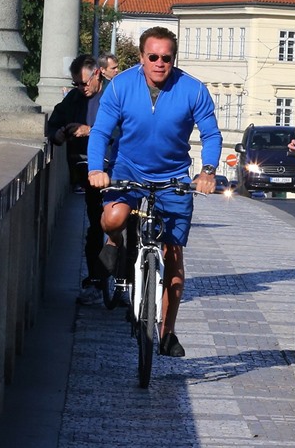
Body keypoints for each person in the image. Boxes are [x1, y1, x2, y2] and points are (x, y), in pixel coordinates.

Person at [87, 26, 222, 357]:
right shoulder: (120, 86)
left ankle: (167, 332)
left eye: (167, 57)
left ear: (173, 59)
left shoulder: (192, 90)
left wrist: (207, 171)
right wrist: (96, 169)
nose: (160, 63)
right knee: (113, 218)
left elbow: (211, 134)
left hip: (173, 176)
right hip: (127, 169)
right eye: (153, 57)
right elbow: (101, 131)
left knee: (173, 254)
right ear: (142, 58)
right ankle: (116, 243)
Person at [47, 54, 110, 305]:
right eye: (76, 84)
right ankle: (95, 280)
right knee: (96, 225)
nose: (81, 88)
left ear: (97, 74)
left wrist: (90, 130)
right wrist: (59, 134)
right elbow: (53, 125)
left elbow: (124, 129)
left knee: (121, 226)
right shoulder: (74, 99)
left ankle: (125, 279)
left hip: (114, 167)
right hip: (86, 171)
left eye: (84, 83)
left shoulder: (112, 96)